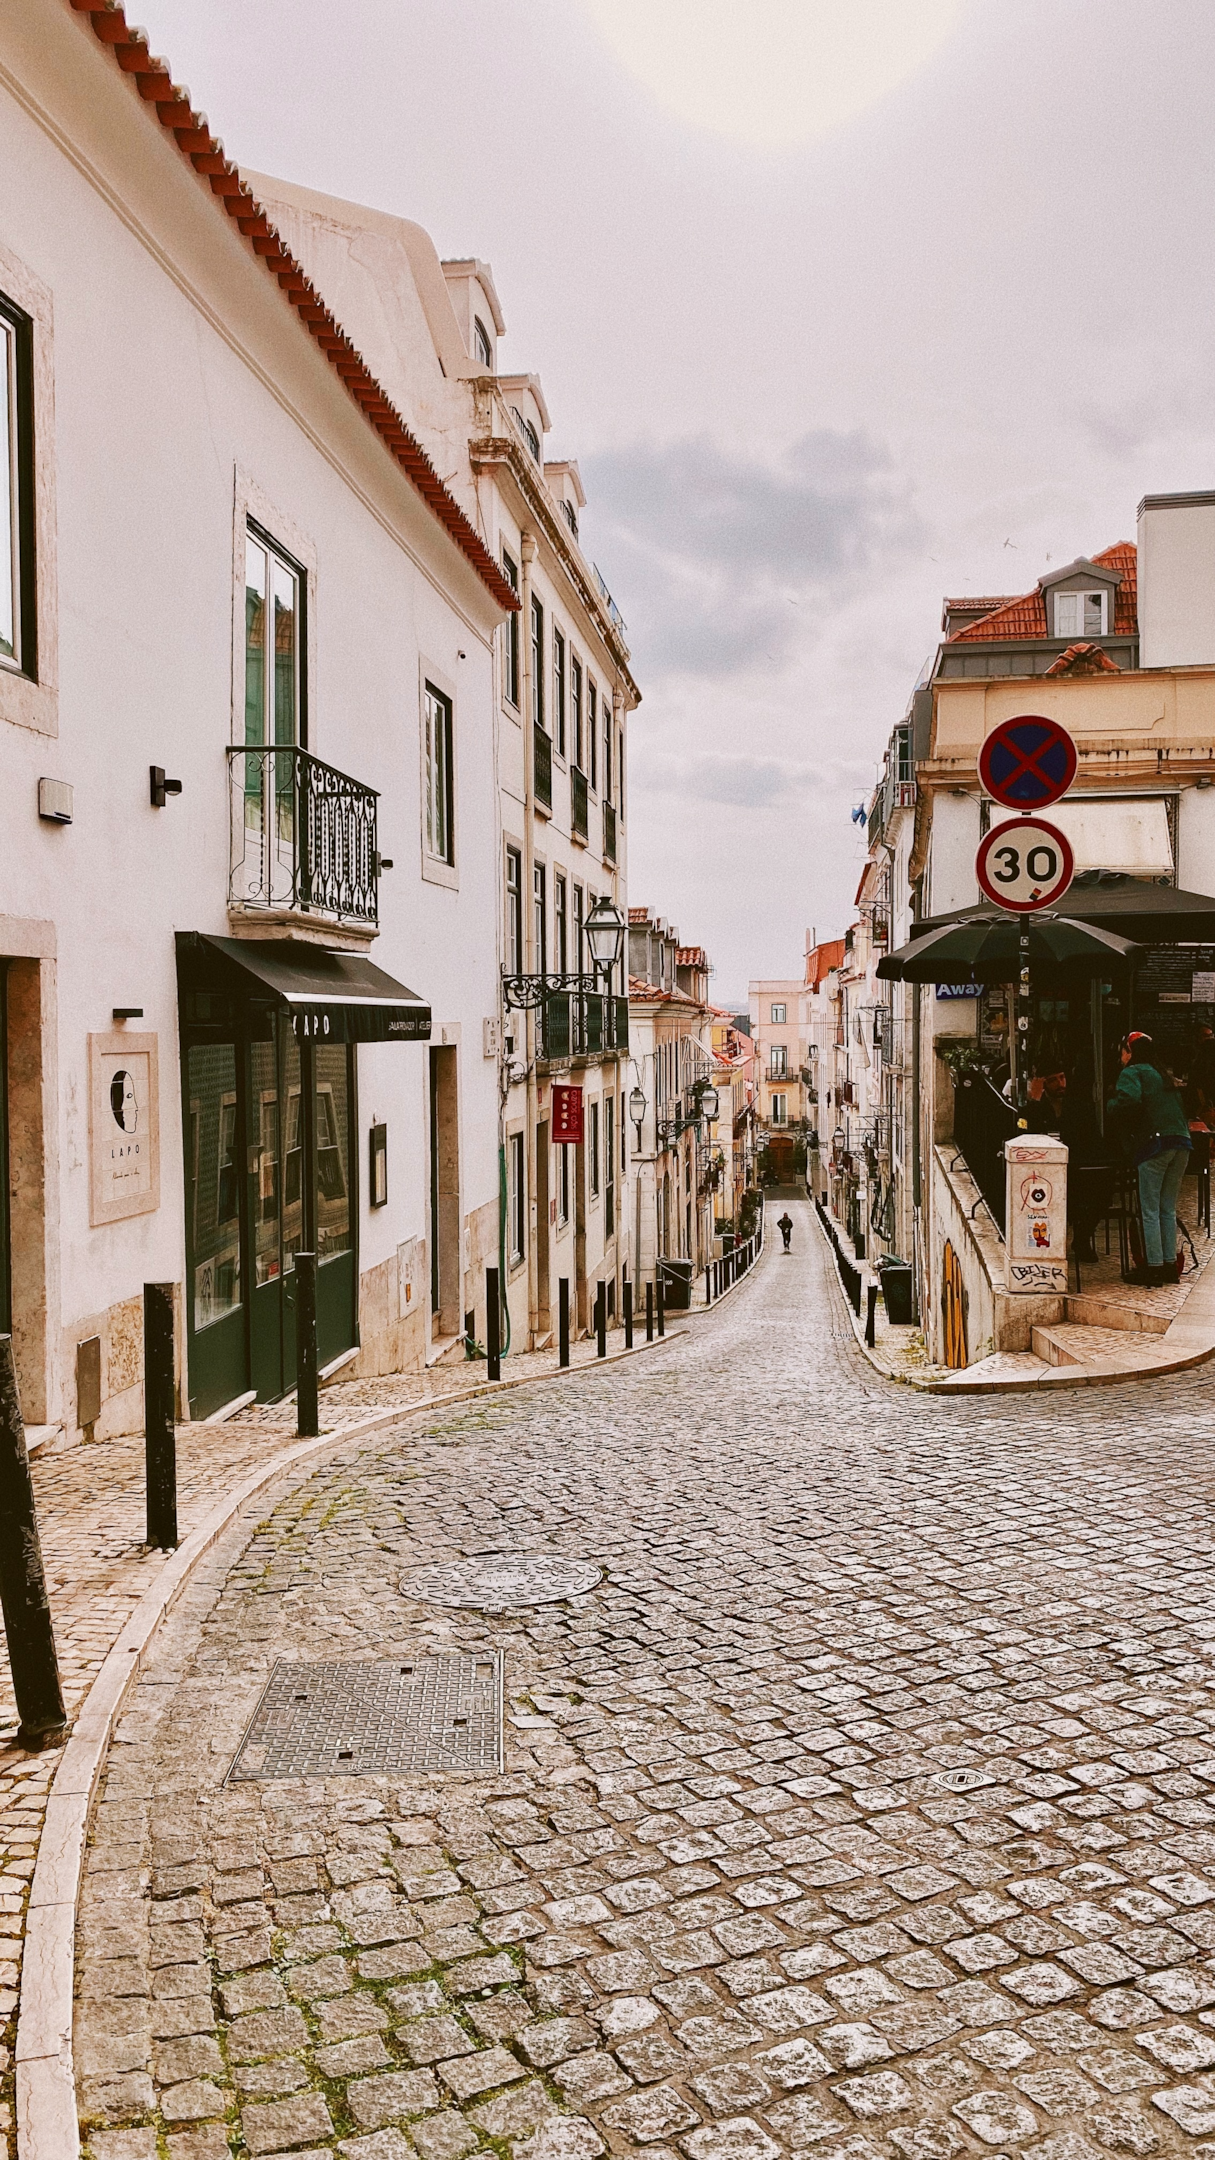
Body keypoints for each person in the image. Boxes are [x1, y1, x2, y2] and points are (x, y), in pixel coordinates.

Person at [1106, 1031, 1192, 1286]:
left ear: (1129, 1052)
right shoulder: (1163, 1074)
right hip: (1182, 1144)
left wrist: (1110, 1104)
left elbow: (1128, 1101)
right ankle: (1169, 1267)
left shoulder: (1133, 1073)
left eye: (1122, 1051)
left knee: (1149, 1210)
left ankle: (1152, 1268)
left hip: (1155, 1145)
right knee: (1167, 1209)